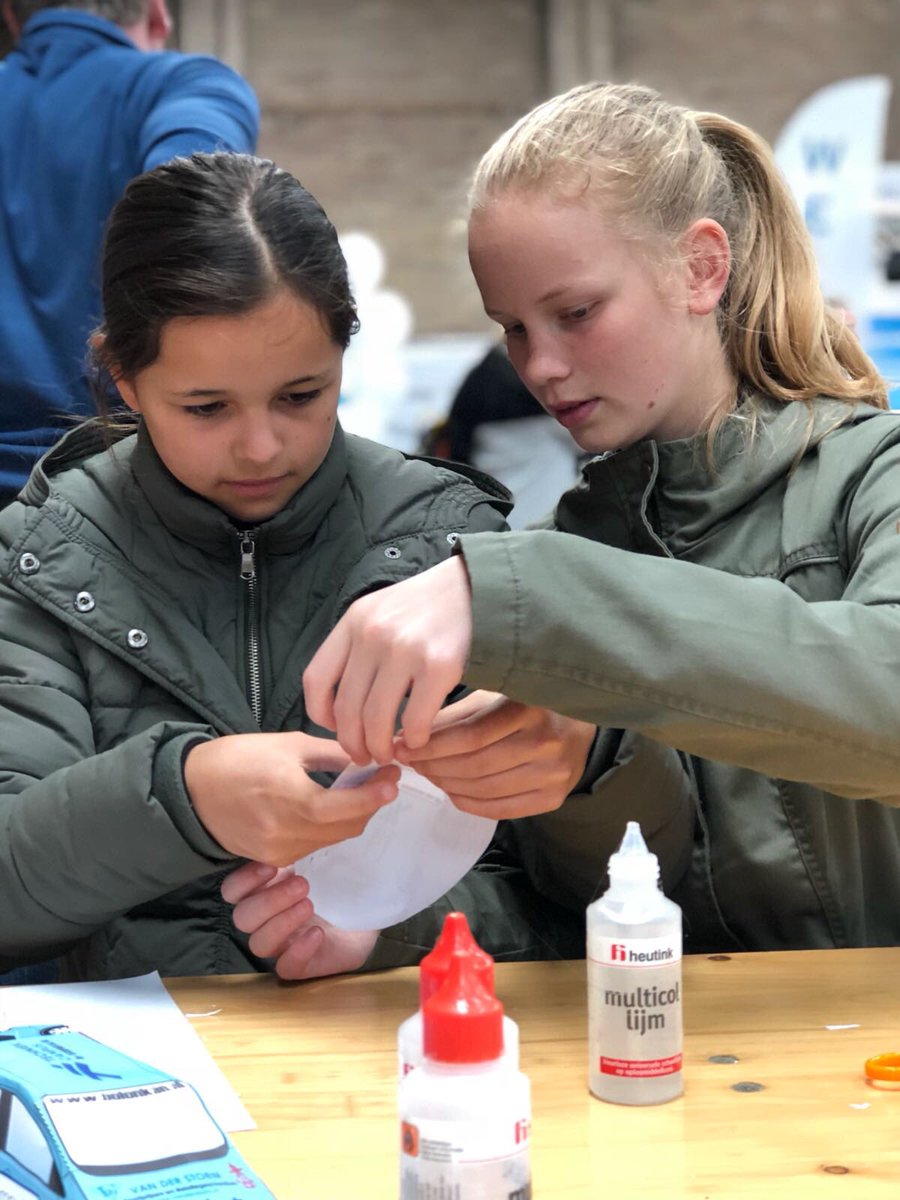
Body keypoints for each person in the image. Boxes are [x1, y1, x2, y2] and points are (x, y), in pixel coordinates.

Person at [303, 81, 900, 955]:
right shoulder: (556, 560)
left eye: (575, 313)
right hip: (697, 1072)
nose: (539, 365)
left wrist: (533, 598)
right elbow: (587, 917)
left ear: (702, 268)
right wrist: (388, 922)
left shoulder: (873, 473)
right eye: (511, 327)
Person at [0, 150, 604, 983]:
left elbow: (576, 896)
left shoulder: (456, 547)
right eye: (206, 408)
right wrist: (183, 800)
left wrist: (392, 928)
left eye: (301, 395)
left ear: (344, 355)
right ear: (124, 379)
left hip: (381, 1073)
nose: (261, 446)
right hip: (114, 1085)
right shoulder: (39, 562)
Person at [0, 0, 259, 506]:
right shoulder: (187, 87)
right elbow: (197, 210)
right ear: (158, 14)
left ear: (12, 15)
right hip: (118, 509)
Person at [423, 342, 583, 527]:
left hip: (494, 518)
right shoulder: (546, 397)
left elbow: (457, 444)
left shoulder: (482, 375)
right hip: (545, 521)